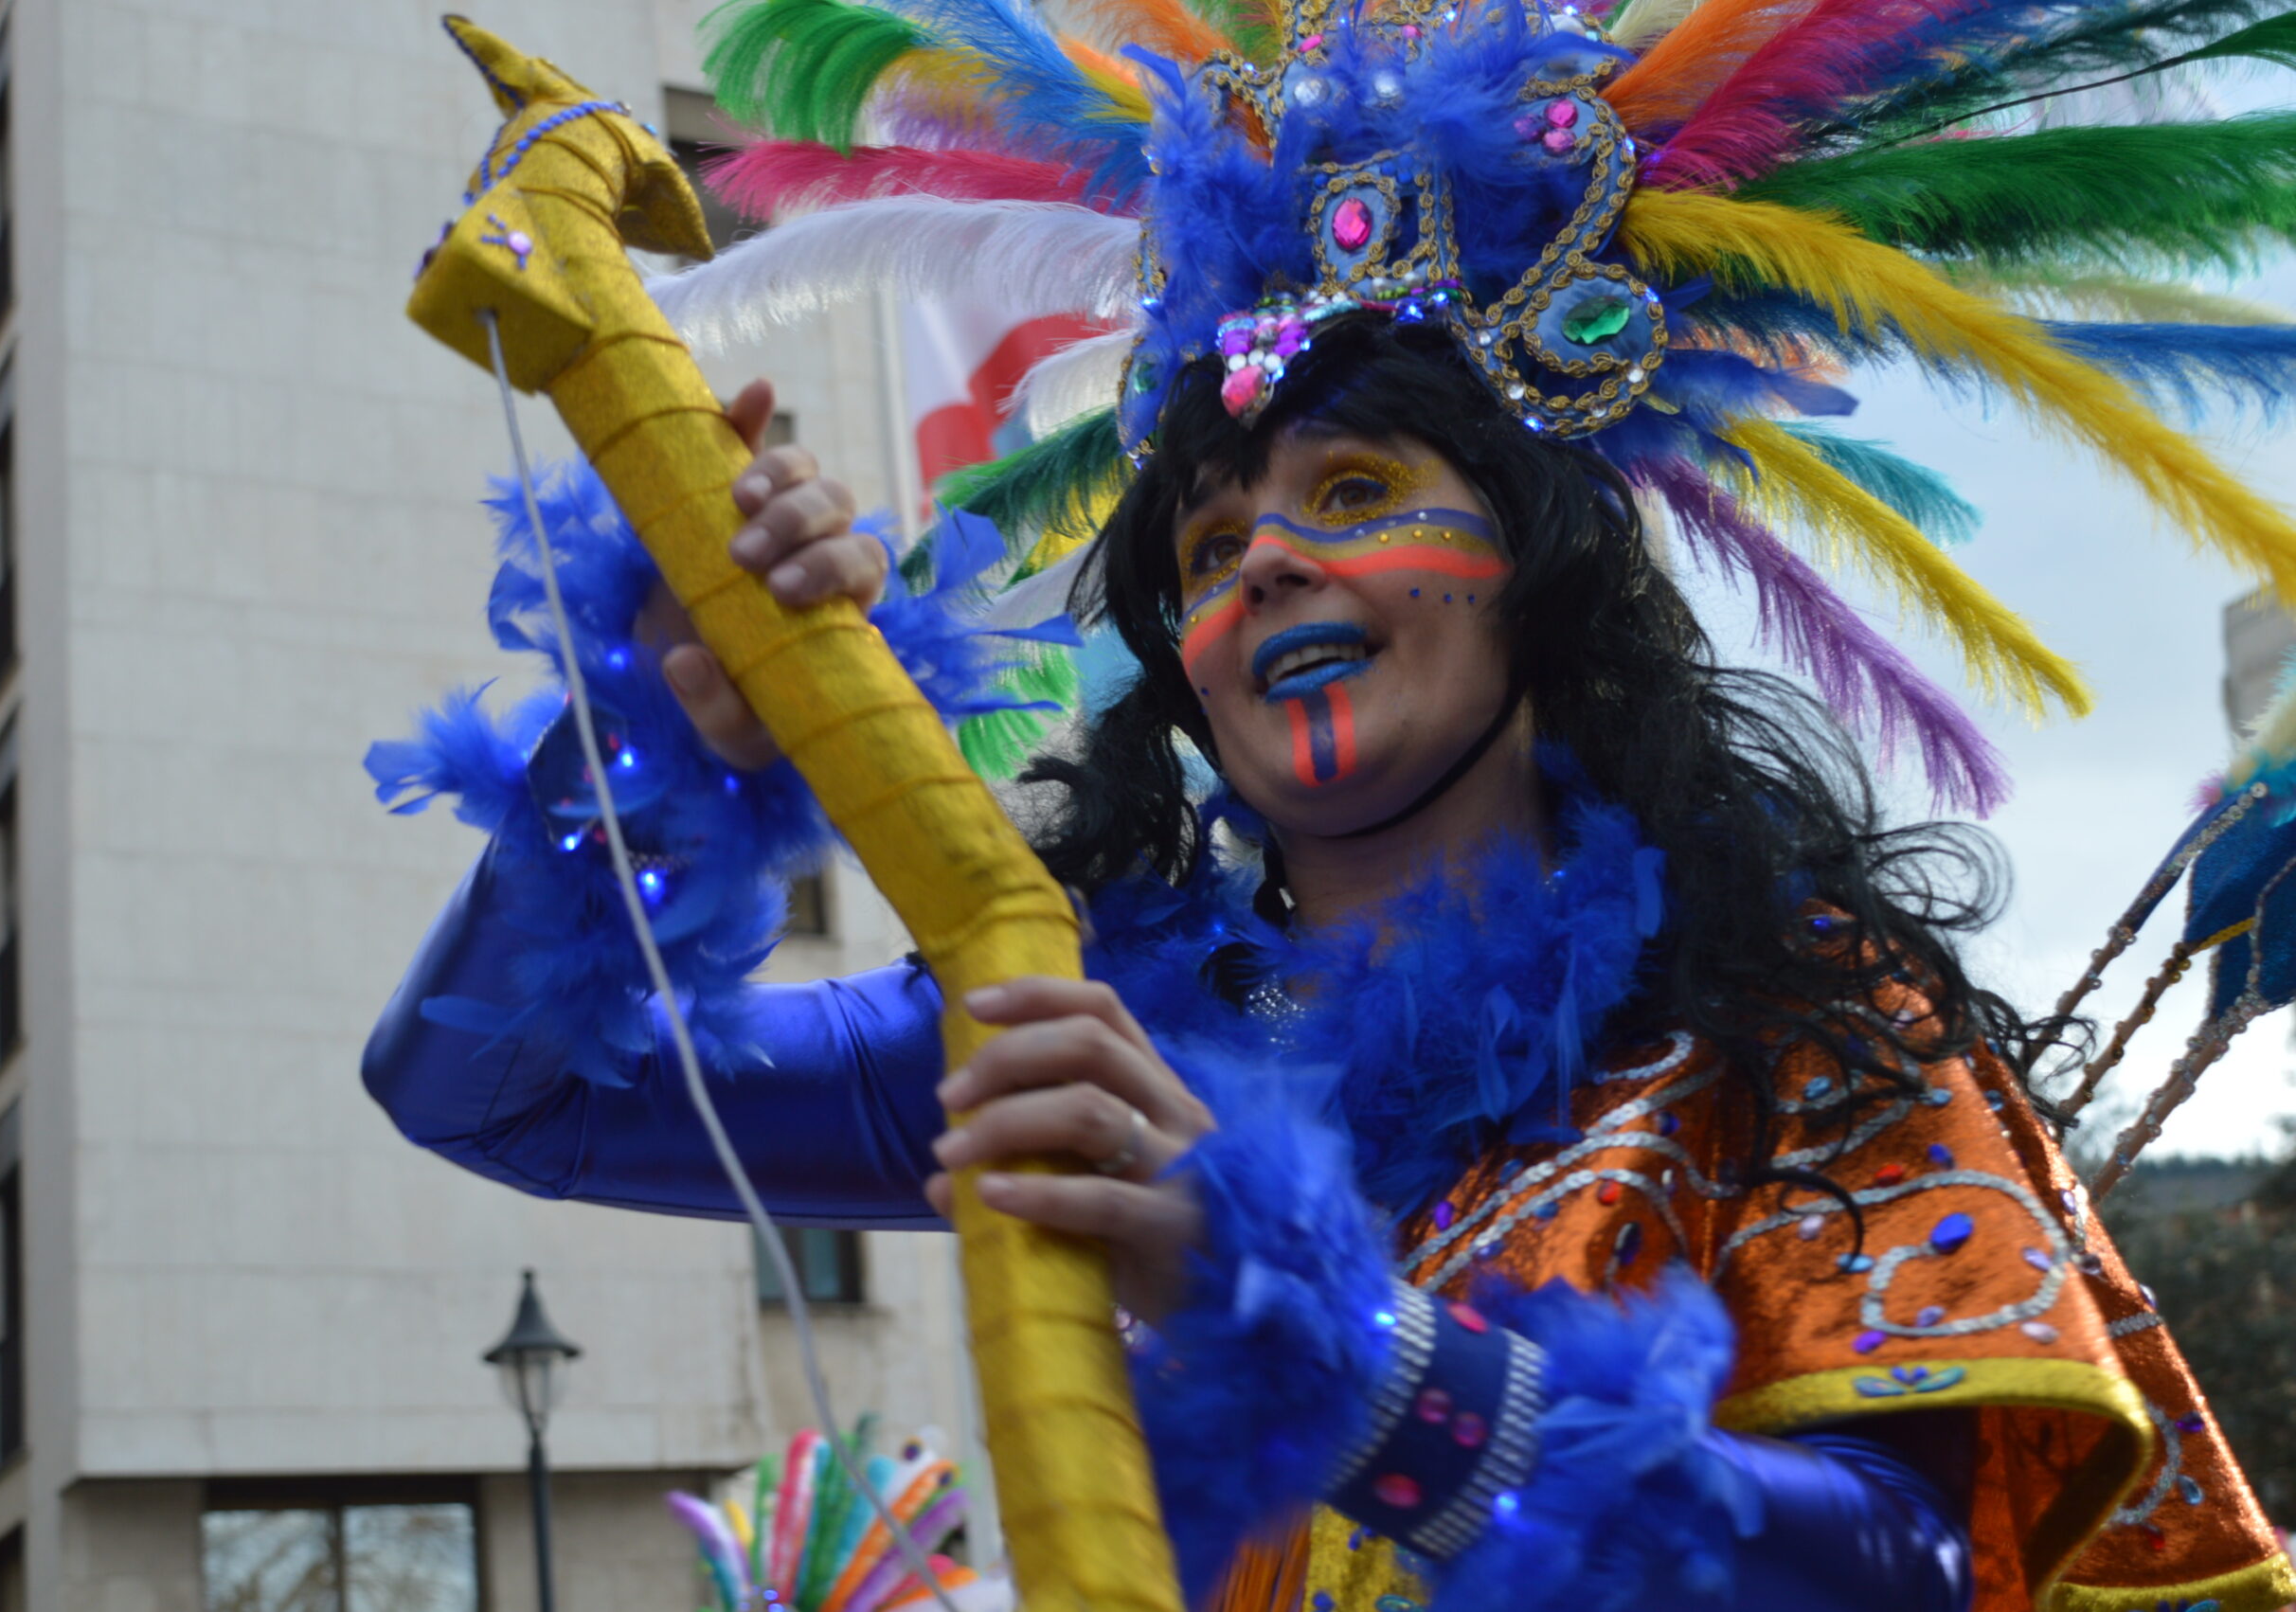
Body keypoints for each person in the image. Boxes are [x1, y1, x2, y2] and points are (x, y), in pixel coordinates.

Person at [367, 0, 2296, 1607]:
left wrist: (1333, 1356)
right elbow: (499, 1087)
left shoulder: (1794, 1020)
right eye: (1206, 542)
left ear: (1538, 567)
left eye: (1354, 494)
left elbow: (1904, 1572)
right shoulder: (1089, 1028)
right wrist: (672, 741)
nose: (1264, 564)